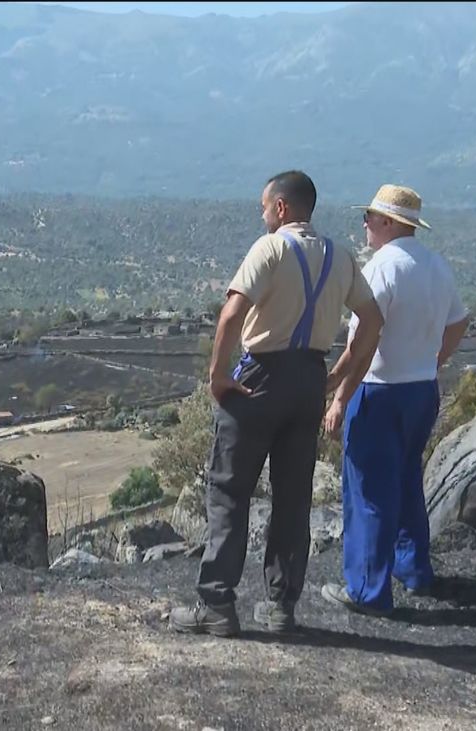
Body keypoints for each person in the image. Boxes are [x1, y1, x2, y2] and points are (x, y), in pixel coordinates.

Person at [170, 170, 383, 637]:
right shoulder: (341, 256)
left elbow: (231, 314)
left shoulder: (270, 249)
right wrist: (339, 374)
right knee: (292, 497)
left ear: (282, 208)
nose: (262, 214)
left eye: (265, 207)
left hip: (259, 378)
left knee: (229, 491)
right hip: (308, 377)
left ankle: (217, 606)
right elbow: (372, 320)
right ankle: (281, 606)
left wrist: (218, 376)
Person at [320, 184, 469, 617]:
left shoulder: (383, 267)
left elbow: (364, 339)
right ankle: (414, 570)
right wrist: (432, 360)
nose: (364, 223)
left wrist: (337, 391)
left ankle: (367, 591)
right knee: (406, 480)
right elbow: (459, 323)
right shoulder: (437, 265)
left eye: (369, 216)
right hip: (422, 391)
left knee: (368, 492)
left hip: (379, 391)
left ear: (387, 222)